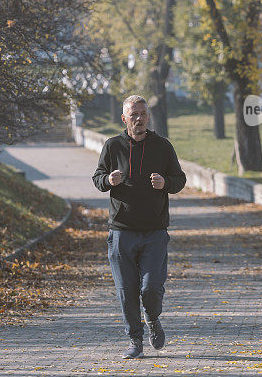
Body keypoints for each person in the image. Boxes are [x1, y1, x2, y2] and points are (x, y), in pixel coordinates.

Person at [92, 94, 186, 359]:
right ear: (124, 118)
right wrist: (108, 180)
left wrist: (165, 183)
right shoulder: (112, 146)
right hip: (121, 231)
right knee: (126, 291)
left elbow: (180, 179)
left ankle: (153, 319)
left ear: (148, 116)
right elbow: (97, 178)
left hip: (155, 231)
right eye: (134, 114)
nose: (139, 118)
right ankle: (135, 341)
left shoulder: (163, 146)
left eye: (143, 114)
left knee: (150, 288)